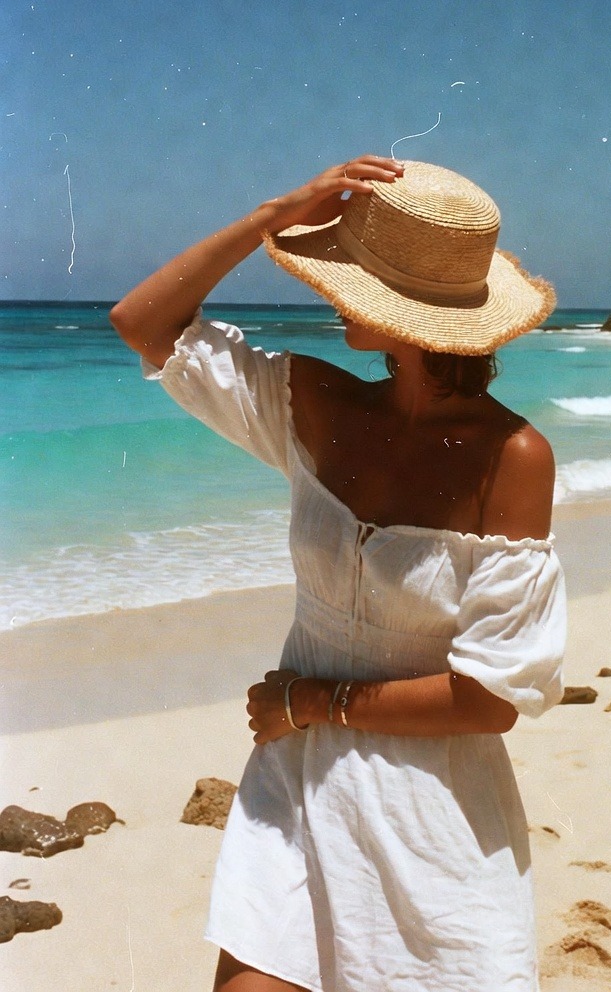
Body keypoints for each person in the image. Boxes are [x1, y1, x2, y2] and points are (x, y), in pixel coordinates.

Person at [110, 155, 566, 992]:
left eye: (349, 277)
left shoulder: (514, 456)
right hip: (294, 779)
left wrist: (315, 702)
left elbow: (490, 698)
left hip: (430, 813)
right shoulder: (314, 403)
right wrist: (272, 214)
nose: (331, 292)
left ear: (405, 316)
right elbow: (145, 323)